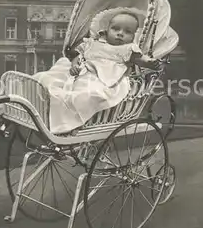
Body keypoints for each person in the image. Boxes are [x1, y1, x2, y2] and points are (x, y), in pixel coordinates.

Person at [33, 7, 162, 134]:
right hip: (80, 72)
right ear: (107, 29)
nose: (120, 33)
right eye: (115, 29)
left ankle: (68, 122)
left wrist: (150, 62)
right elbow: (78, 57)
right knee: (50, 75)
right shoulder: (92, 43)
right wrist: (74, 65)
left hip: (102, 79)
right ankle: (41, 100)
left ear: (134, 36)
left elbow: (140, 59)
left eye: (127, 31)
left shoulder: (128, 49)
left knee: (86, 94)